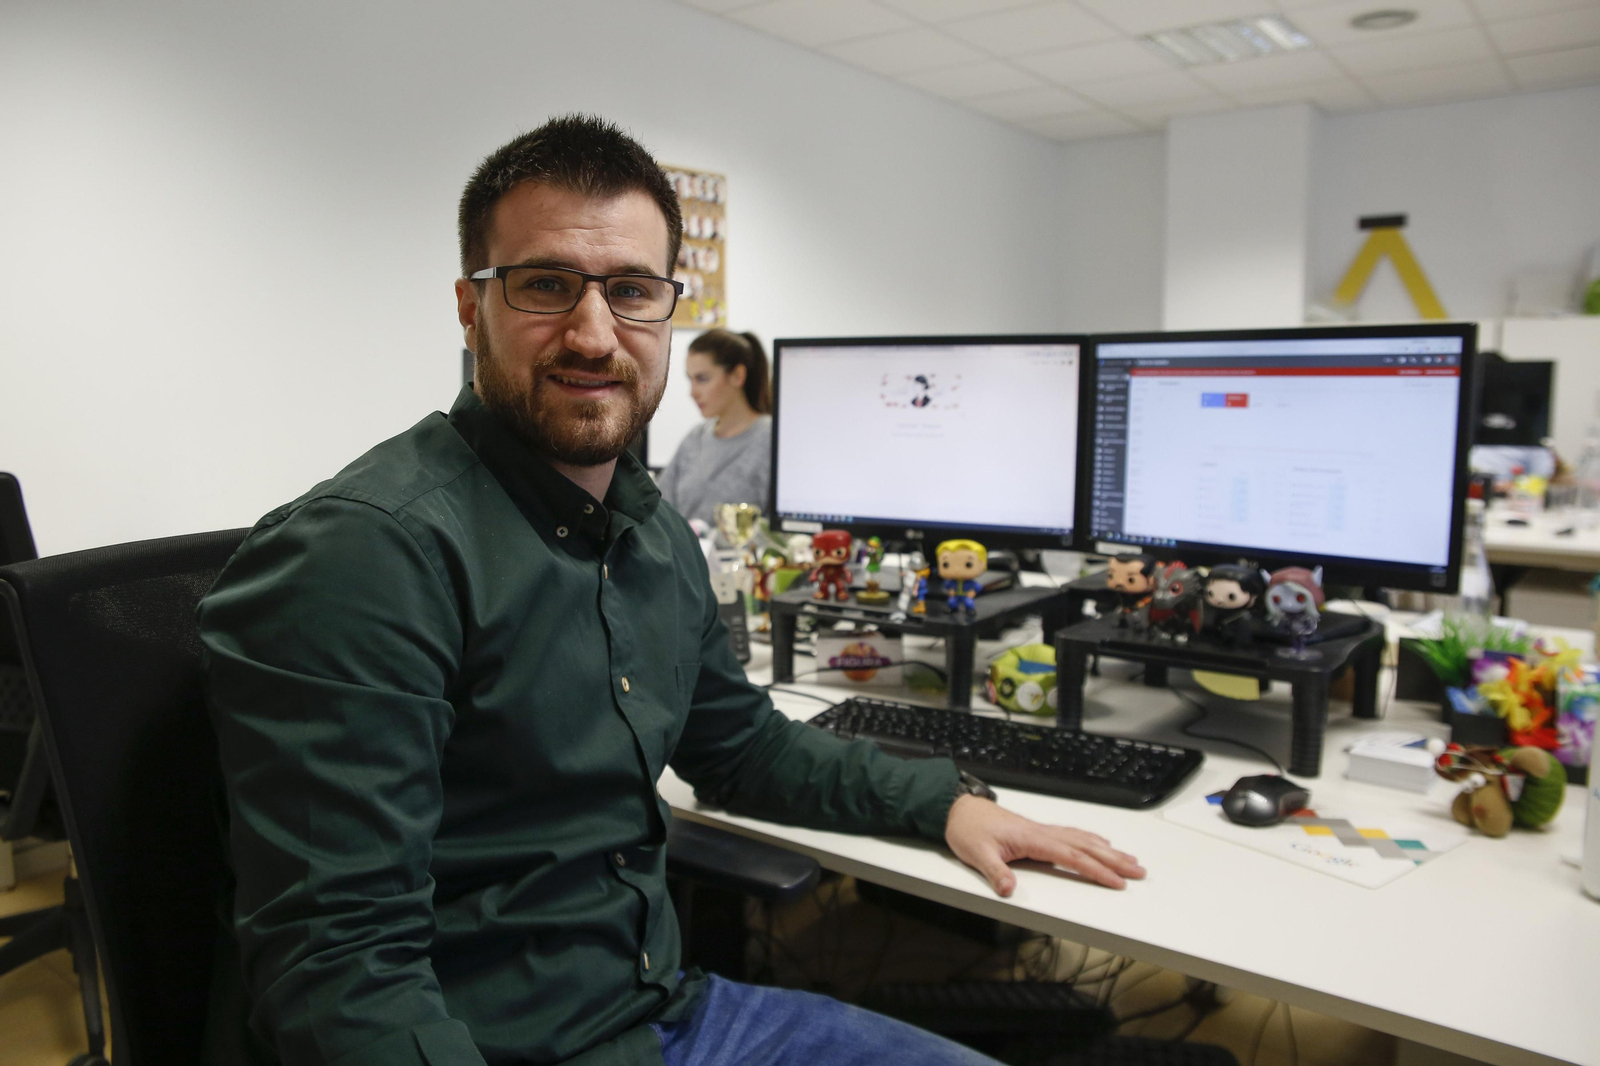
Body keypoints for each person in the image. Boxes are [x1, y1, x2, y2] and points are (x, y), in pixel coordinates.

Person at [198, 114, 1144, 1066]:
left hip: (672, 1015)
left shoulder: (648, 532)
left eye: (632, 292)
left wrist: (945, 802)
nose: (594, 332)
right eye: (544, 285)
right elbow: (341, 974)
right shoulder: (369, 557)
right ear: (467, 304)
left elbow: (742, 751)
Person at [656, 329, 772, 525]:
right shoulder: (695, 438)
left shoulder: (771, 440)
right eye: (690, 379)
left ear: (737, 376)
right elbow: (659, 509)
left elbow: (780, 532)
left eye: (702, 379)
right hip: (683, 555)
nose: (692, 392)